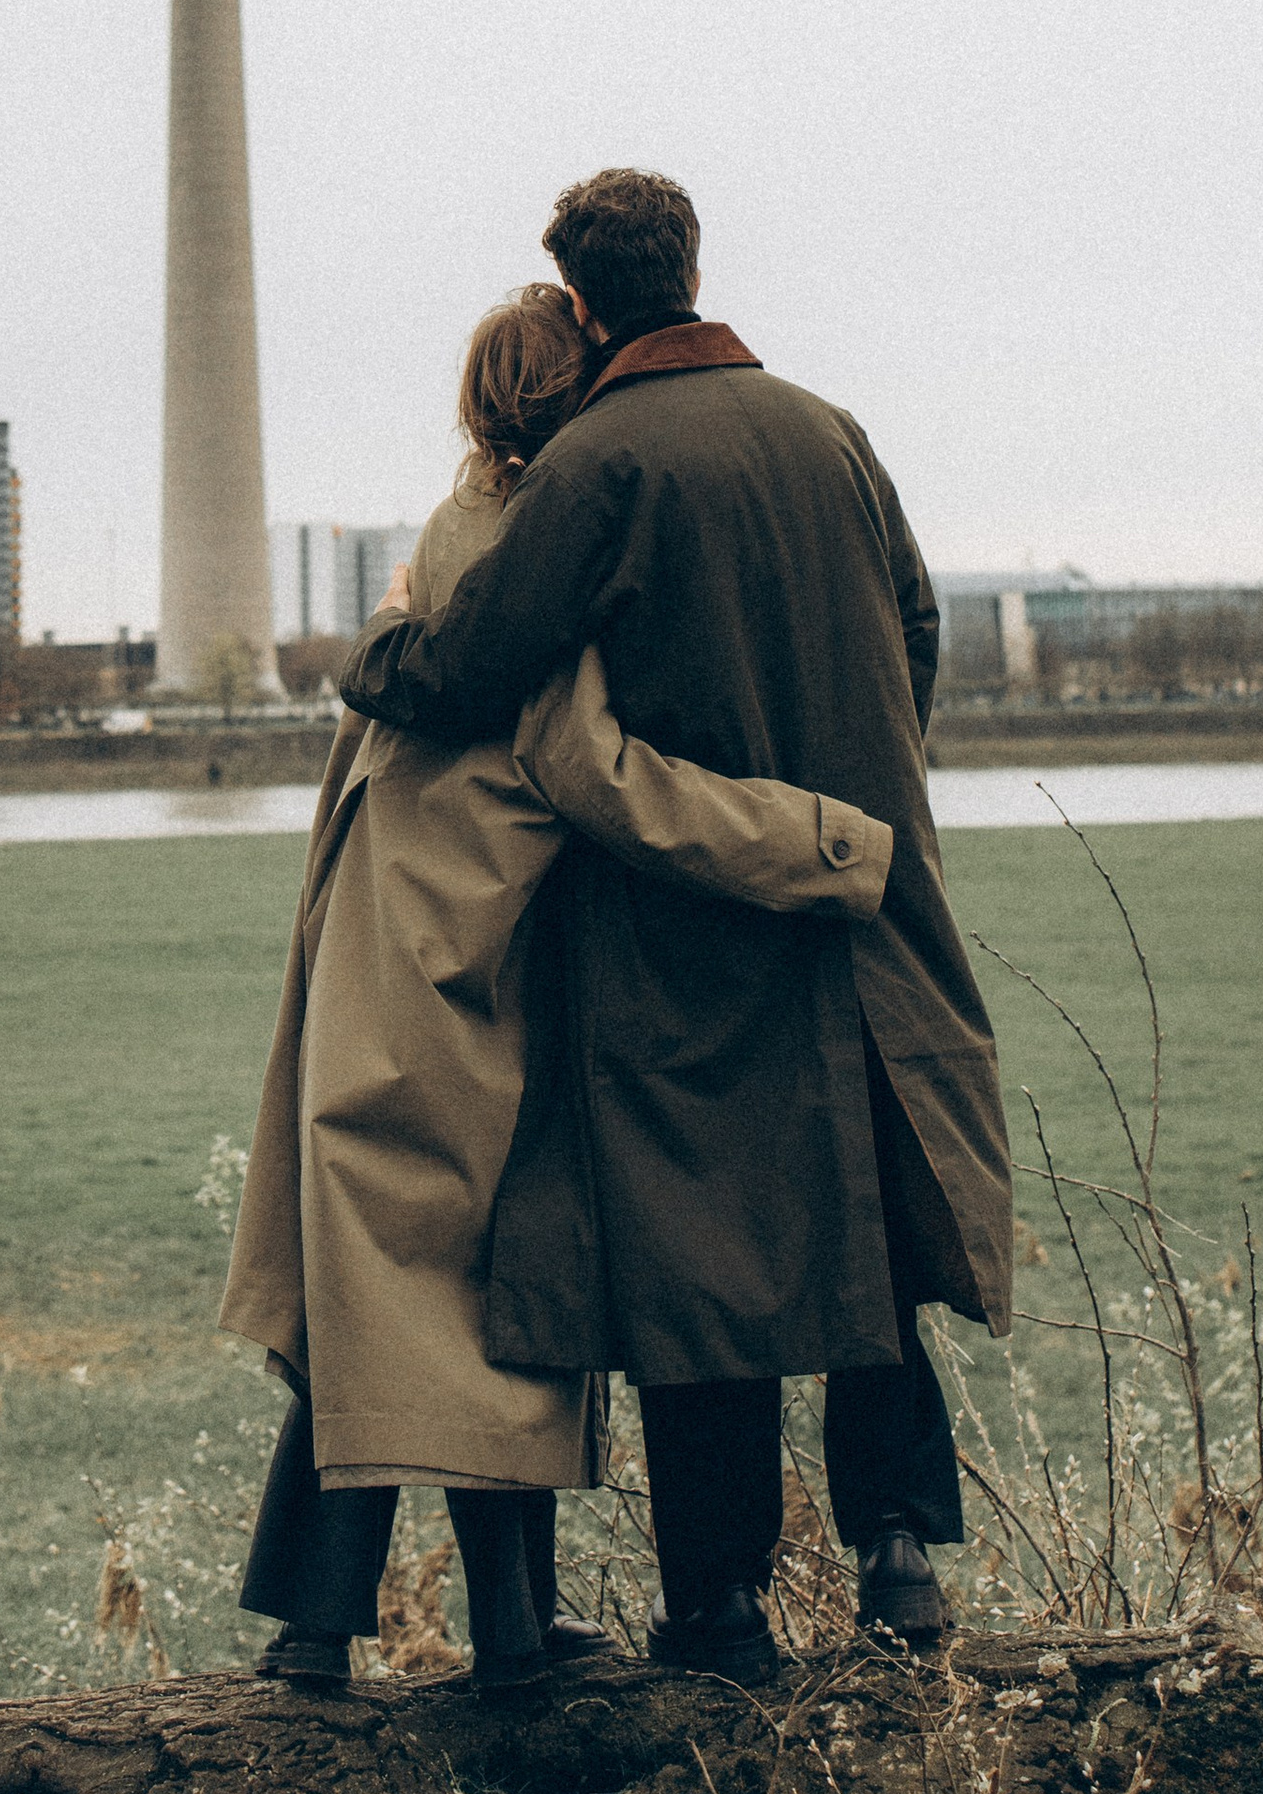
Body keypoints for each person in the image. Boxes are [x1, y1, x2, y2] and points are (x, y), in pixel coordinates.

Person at [337, 169, 1013, 1678]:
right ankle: (899, 1554)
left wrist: (373, 653)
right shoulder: (831, 431)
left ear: (581, 302)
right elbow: (918, 626)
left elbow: (477, 668)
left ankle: (721, 1608)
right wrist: (868, 762)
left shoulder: (600, 465)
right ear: (691, 268)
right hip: (865, 897)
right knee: (867, 1233)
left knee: (708, 1272)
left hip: (683, 925)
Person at [222, 285, 898, 1699]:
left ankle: (330, 1629)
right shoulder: (542, 563)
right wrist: (825, 843)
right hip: (458, 966)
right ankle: (491, 1646)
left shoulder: (450, 524)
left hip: (371, 946)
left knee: (381, 1293)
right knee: (482, 1299)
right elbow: (610, 784)